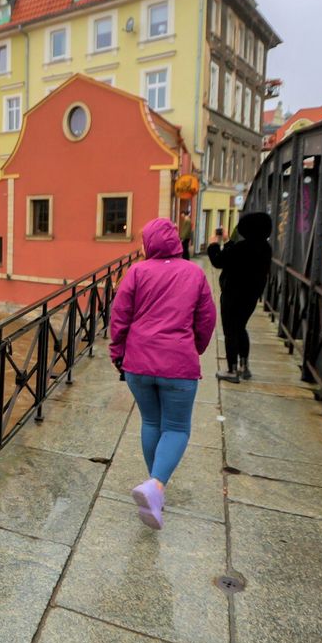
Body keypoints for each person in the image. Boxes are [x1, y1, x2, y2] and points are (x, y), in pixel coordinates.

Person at [110, 217, 216, 529]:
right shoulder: (195, 273)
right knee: (177, 428)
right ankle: (156, 485)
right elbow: (206, 320)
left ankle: (155, 488)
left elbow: (120, 318)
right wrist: (192, 349)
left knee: (151, 422)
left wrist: (118, 355)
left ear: (149, 243)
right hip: (178, 366)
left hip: (138, 364)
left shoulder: (137, 272)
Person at [207, 212, 273, 383]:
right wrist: (229, 241)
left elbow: (219, 261)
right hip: (251, 295)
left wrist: (213, 245)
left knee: (230, 331)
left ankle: (232, 370)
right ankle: (244, 366)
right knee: (241, 327)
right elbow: (232, 256)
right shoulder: (265, 248)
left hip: (232, 294)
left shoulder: (241, 247)